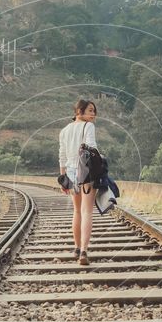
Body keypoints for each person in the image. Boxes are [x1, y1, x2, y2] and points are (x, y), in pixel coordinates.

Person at [58, 99, 98, 265]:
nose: (93, 114)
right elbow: (91, 147)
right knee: (87, 211)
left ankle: (75, 247)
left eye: (94, 111)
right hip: (86, 170)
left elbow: (62, 155)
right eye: (90, 110)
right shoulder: (88, 126)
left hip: (71, 172)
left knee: (77, 211)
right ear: (79, 111)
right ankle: (83, 251)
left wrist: (63, 179)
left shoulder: (64, 130)